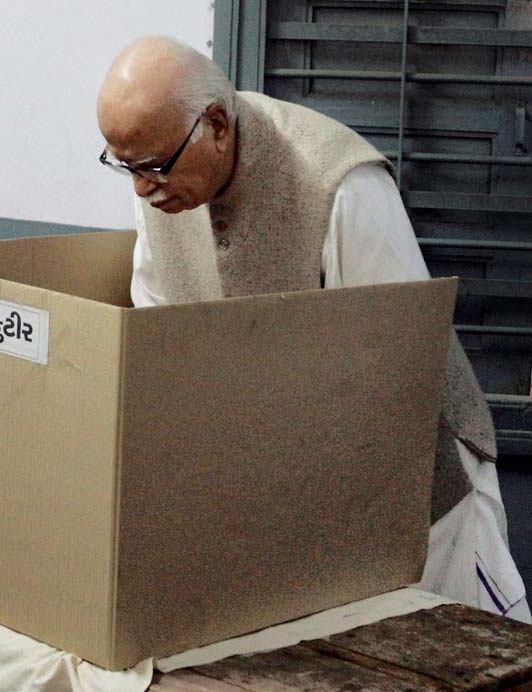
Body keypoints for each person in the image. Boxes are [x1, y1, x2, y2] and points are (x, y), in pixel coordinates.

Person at [97, 36, 531, 623]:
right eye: (124, 165)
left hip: (425, 485)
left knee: (478, 653)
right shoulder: (161, 178)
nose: (140, 188)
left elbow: (403, 370)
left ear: (218, 127)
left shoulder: (342, 185)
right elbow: (162, 338)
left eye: (150, 167)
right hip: (296, 494)